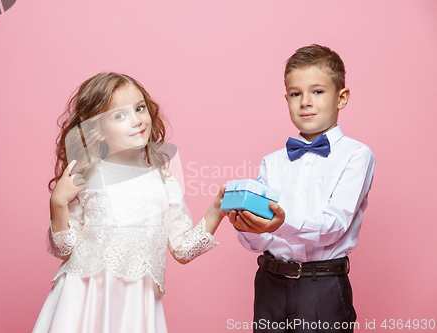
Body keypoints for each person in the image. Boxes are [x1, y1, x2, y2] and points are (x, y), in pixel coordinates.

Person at [33, 72, 227, 333]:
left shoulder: (164, 183)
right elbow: (63, 250)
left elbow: (183, 250)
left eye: (139, 108)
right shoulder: (88, 177)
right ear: (97, 131)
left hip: (135, 304)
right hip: (82, 298)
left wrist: (217, 210)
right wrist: (57, 202)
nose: (136, 121)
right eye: (120, 115)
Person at [229, 44, 375, 332]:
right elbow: (263, 241)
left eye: (317, 91)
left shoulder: (357, 155)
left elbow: (334, 225)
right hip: (270, 283)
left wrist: (281, 222)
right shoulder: (272, 161)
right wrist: (249, 227)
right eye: (296, 94)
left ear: (341, 97)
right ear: (286, 99)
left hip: (321, 287)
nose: (305, 101)